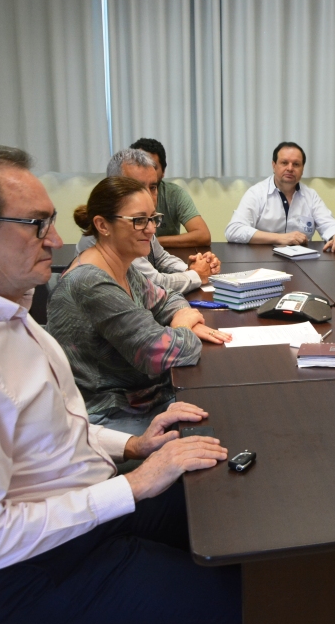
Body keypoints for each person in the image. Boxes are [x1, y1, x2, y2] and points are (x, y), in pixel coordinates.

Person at [0, 145, 242, 624]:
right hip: (42, 570)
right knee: (250, 599)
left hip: (82, 518)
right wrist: (135, 487)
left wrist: (133, 446)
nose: (55, 240)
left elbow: (55, 425)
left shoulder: (6, 311)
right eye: (36, 224)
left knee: (220, 508)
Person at [52, 176, 231, 436]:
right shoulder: (91, 282)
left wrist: (182, 313)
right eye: (139, 221)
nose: (151, 230)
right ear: (103, 225)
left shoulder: (121, 266)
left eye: (152, 219)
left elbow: (167, 298)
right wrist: (184, 328)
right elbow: (156, 354)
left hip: (142, 396)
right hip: (111, 414)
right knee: (225, 428)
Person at [78, 149, 220, 294]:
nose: (147, 196)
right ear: (114, 187)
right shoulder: (117, 228)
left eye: (153, 187)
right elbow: (154, 285)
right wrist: (196, 274)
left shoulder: (141, 221)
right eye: (136, 187)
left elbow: (160, 258)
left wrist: (191, 268)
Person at [224, 142, 335, 253]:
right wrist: (279, 238)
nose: (290, 168)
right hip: (262, 261)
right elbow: (233, 230)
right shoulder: (257, 193)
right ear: (274, 165)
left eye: (296, 164)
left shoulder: (310, 196)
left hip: (302, 264)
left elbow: (329, 224)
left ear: (302, 169)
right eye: (284, 163)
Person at [130, 137, 212, 248]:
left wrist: (153, 241)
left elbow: (203, 235)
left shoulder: (174, 194)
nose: (147, 171)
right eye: (141, 166)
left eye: (152, 166)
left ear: (163, 171)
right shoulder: (122, 196)